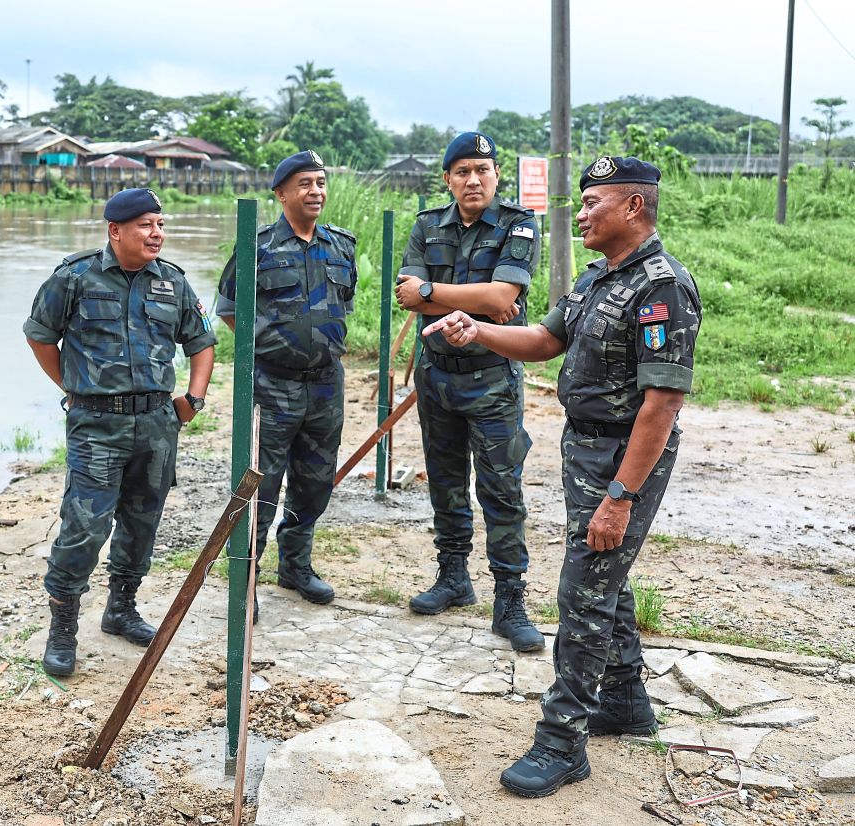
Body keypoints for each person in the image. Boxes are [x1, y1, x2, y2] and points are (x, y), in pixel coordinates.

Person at [424, 156, 702, 797]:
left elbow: (661, 405)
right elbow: (547, 340)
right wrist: (481, 332)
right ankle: (626, 703)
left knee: (583, 592)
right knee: (606, 577)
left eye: (592, 203)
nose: (580, 214)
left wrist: (621, 497)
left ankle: (562, 741)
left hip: (624, 458)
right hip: (586, 451)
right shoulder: (599, 277)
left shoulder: (662, 287)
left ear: (632, 207)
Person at [22, 187, 216, 677]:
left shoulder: (171, 282)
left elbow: (202, 341)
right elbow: (39, 334)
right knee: (85, 524)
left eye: (161, 225)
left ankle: (121, 609)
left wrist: (193, 399)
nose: (157, 234)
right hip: (97, 425)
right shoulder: (75, 276)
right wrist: (71, 384)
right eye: (146, 225)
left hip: (156, 424)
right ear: (116, 230)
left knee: (141, 521)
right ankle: (63, 626)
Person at [393, 131, 545, 652]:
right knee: (446, 482)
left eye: (482, 169)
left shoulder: (519, 224)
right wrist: (473, 301)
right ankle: (454, 577)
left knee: (501, 491)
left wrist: (432, 292)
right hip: (438, 379)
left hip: (492, 381)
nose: (472, 179)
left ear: (496, 174)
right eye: (462, 171)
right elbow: (405, 298)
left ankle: (510, 600)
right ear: (448, 179)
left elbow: (502, 295)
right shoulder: (426, 225)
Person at [215, 150, 357, 621]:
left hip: (325, 387)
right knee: (262, 486)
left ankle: (295, 564)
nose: (315, 192)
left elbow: (344, 304)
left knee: (315, 483)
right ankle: (248, 578)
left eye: (320, 183)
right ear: (281, 193)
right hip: (272, 386)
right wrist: (273, 348)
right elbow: (231, 309)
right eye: (304, 184)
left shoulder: (340, 246)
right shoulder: (255, 246)